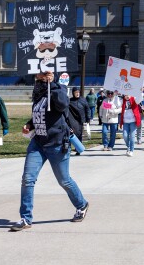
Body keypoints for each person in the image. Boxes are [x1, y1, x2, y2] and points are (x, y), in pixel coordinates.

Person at [11, 71, 89, 231]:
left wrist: (51, 83)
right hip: (38, 143)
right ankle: (26, 218)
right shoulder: (39, 93)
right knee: (27, 179)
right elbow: (40, 115)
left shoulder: (58, 89)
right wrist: (29, 124)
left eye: (43, 75)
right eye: (38, 75)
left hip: (57, 143)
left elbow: (62, 104)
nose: (40, 77)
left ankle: (82, 204)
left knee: (64, 180)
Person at [68, 88, 90, 155]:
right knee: (70, 134)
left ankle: (78, 149)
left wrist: (88, 119)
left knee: (79, 135)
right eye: (75, 92)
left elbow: (87, 110)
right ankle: (68, 149)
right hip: (72, 120)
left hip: (80, 120)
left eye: (78, 92)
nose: (77, 93)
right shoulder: (70, 101)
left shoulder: (83, 100)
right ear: (73, 93)